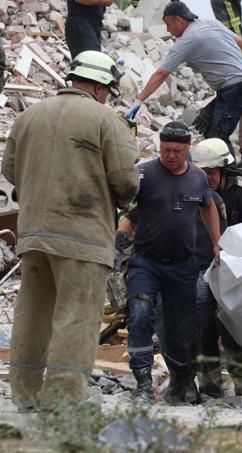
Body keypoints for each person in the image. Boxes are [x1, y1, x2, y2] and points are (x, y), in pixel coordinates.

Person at [2, 50, 139, 410]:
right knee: (75, 317)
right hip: (83, 236)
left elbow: (10, 170)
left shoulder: (29, 116)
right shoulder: (106, 121)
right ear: (97, 86)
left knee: (32, 314)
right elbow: (126, 181)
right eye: (107, 89)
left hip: (33, 234)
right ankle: (61, 399)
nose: (107, 95)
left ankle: (25, 395)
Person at [117, 122, 221, 405]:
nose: (171, 155)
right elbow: (128, 211)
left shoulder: (198, 178)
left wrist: (216, 241)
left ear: (188, 149)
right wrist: (118, 240)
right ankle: (143, 384)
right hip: (146, 262)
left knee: (183, 327)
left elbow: (208, 206)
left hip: (183, 266)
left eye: (177, 150)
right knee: (139, 313)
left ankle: (183, 379)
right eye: (165, 150)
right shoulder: (145, 174)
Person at [124, 1, 242, 151]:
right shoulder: (208, 22)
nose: (168, 30)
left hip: (234, 88)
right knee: (205, 124)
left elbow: (161, 73)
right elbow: (239, 41)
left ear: (178, 20)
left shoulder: (187, 41)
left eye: (168, 24)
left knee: (218, 138)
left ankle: (228, 174)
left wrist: (138, 100)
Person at [189, 138, 242, 398]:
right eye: (202, 172)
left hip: (233, 277)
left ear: (225, 170)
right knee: (204, 328)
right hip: (201, 272)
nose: (207, 178)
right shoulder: (193, 196)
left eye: (212, 172)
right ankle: (209, 386)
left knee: (232, 332)